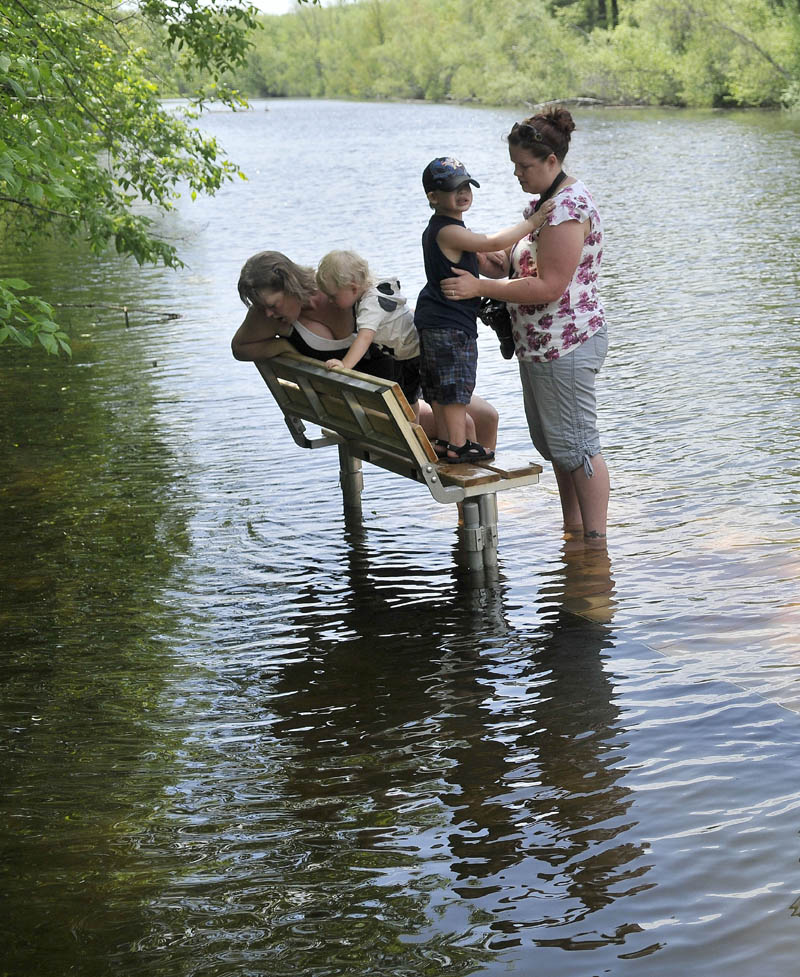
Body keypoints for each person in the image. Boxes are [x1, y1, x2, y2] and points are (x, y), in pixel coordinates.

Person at [440, 108, 610, 547]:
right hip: (540, 344)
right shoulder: (543, 204)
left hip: (567, 343)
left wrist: (481, 286)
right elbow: (519, 264)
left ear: (552, 160)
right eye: (514, 165)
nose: (517, 174)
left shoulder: (568, 209)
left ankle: (594, 545)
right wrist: (465, 248)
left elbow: (550, 286)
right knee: (555, 443)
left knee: (578, 444)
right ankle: (573, 530)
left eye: (524, 166)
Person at [231, 249, 499, 454]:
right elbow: (240, 347)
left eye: (272, 304)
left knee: (487, 417)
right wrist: (284, 345)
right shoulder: (273, 317)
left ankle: (481, 508)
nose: (266, 312)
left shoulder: (339, 285)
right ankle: (472, 514)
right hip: (372, 407)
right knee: (462, 426)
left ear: (289, 285)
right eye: (262, 306)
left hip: (394, 387)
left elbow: (396, 319)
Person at [415, 156, 552, 464]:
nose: (462, 193)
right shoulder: (448, 231)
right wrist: (533, 222)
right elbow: (490, 243)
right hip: (450, 322)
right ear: (433, 197)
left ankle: (445, 439)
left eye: (466, 186)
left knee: (438, 386)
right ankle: (459, 444)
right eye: (453, 189)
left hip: (434, 319)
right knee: (455, 385)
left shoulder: (441, 230)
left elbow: (487, 259)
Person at [316, 250, 422, 418]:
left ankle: (415, 429)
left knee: (410, 398)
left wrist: (344, 365)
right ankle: (415, 428)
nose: (330, 301)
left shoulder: (370, 306)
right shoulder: (375, 290)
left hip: (413, 354)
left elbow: (365, 338)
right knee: (408, 397)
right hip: (407, 351)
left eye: (333, 296)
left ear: (353, 288)